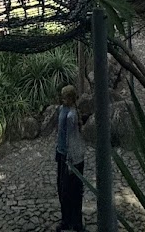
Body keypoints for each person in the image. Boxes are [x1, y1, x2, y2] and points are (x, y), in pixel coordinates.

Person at [55, 85, 85, 232]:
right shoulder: (62, 110)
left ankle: (75, 222)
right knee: (63, 189)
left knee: (72, 190)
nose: (62, 99)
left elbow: (72, 139)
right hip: (62, 153)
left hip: (70, 157)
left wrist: (70, 159)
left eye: (65, 97)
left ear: (71, 98)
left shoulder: (72, 115)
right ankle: (67, 219)